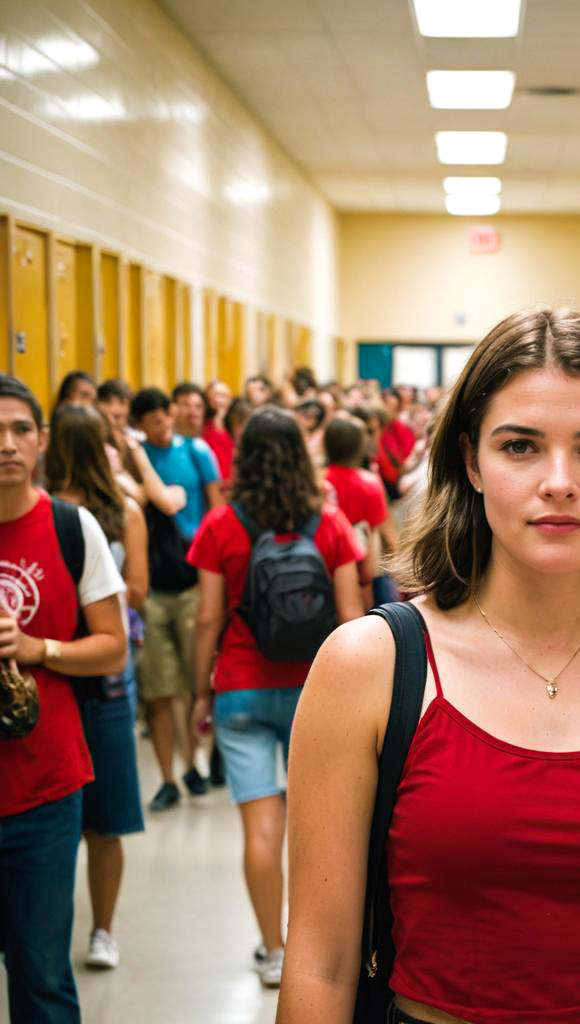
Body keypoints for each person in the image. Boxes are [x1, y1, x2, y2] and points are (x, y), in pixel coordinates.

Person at [278, 309, 580, 1023]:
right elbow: (322, 958)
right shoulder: (369, 667)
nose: (559, 482)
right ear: (471, 461)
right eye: (521, 446)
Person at [187, 407, 363, 988]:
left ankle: (274, 951)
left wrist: (199, 693)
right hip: (320, 690)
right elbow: (350, 617)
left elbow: (207, 618)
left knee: (261, 828)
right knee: (326, 830)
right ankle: (328, 947)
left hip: (241, 687)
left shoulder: (220, 525)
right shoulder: (329, 522)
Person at [0, 374, 126, 1023]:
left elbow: (112, 646)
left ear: (43, 439)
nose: (7, 445)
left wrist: (39, 649)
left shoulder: (73, 528)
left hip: (44, 790)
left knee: (42, 976)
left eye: (20, 429)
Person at [44, 404, 147, 972]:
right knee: (104, 818)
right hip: (109, 679)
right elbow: (140, 591)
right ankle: (101, 931)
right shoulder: (124, 510)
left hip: (64, 663)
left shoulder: (58, 519)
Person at [130, 386, 223, 811]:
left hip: (191, 582)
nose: (163, 423)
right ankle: (168, 776)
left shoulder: (197, 452)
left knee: (193, 682)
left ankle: (195, 763)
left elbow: (217, 508)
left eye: (165, 415)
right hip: (153, 587)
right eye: (153, 420)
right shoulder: (137, 461)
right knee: (159, 690)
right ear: (142, 425)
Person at [323, 416, 393, 608]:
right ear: (360, 446)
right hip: (361, 574)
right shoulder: (370, 484)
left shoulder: (318, 481)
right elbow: (383, 536)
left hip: (323, 567)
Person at [202, 379, 235, 484]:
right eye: (217, 394)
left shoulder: (233, 423)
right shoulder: (203, 425)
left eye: (225, 395)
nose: (221, 400)